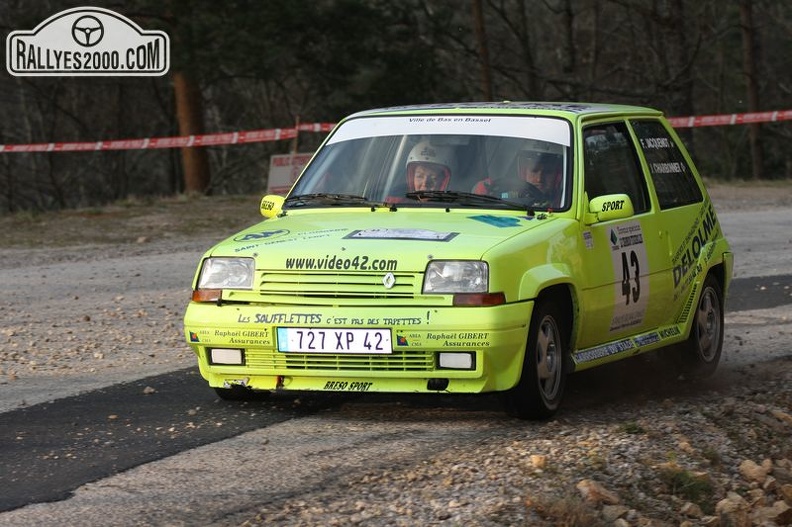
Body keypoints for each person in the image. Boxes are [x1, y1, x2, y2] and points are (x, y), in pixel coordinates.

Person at [473, 144, 562, 207]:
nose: (539, 179)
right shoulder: (511, 194)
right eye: (534, 171)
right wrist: (485, 193)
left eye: (548, 172)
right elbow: (502, 197)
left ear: (557, 175)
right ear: (524, 172)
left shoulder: (565, 201)